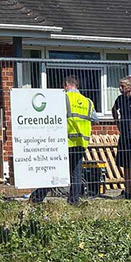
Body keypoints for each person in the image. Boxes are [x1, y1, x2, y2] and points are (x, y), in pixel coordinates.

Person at [30, 75, 98, 205]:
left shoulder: (64, 97)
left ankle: (36, 198)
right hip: (81, 142)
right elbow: (95, 119)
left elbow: (54, 117)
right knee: (76, 173)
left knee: (53, 170)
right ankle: (74, 201)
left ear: (66, 85)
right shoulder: (88, 101)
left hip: (64, 141)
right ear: (76, 85)